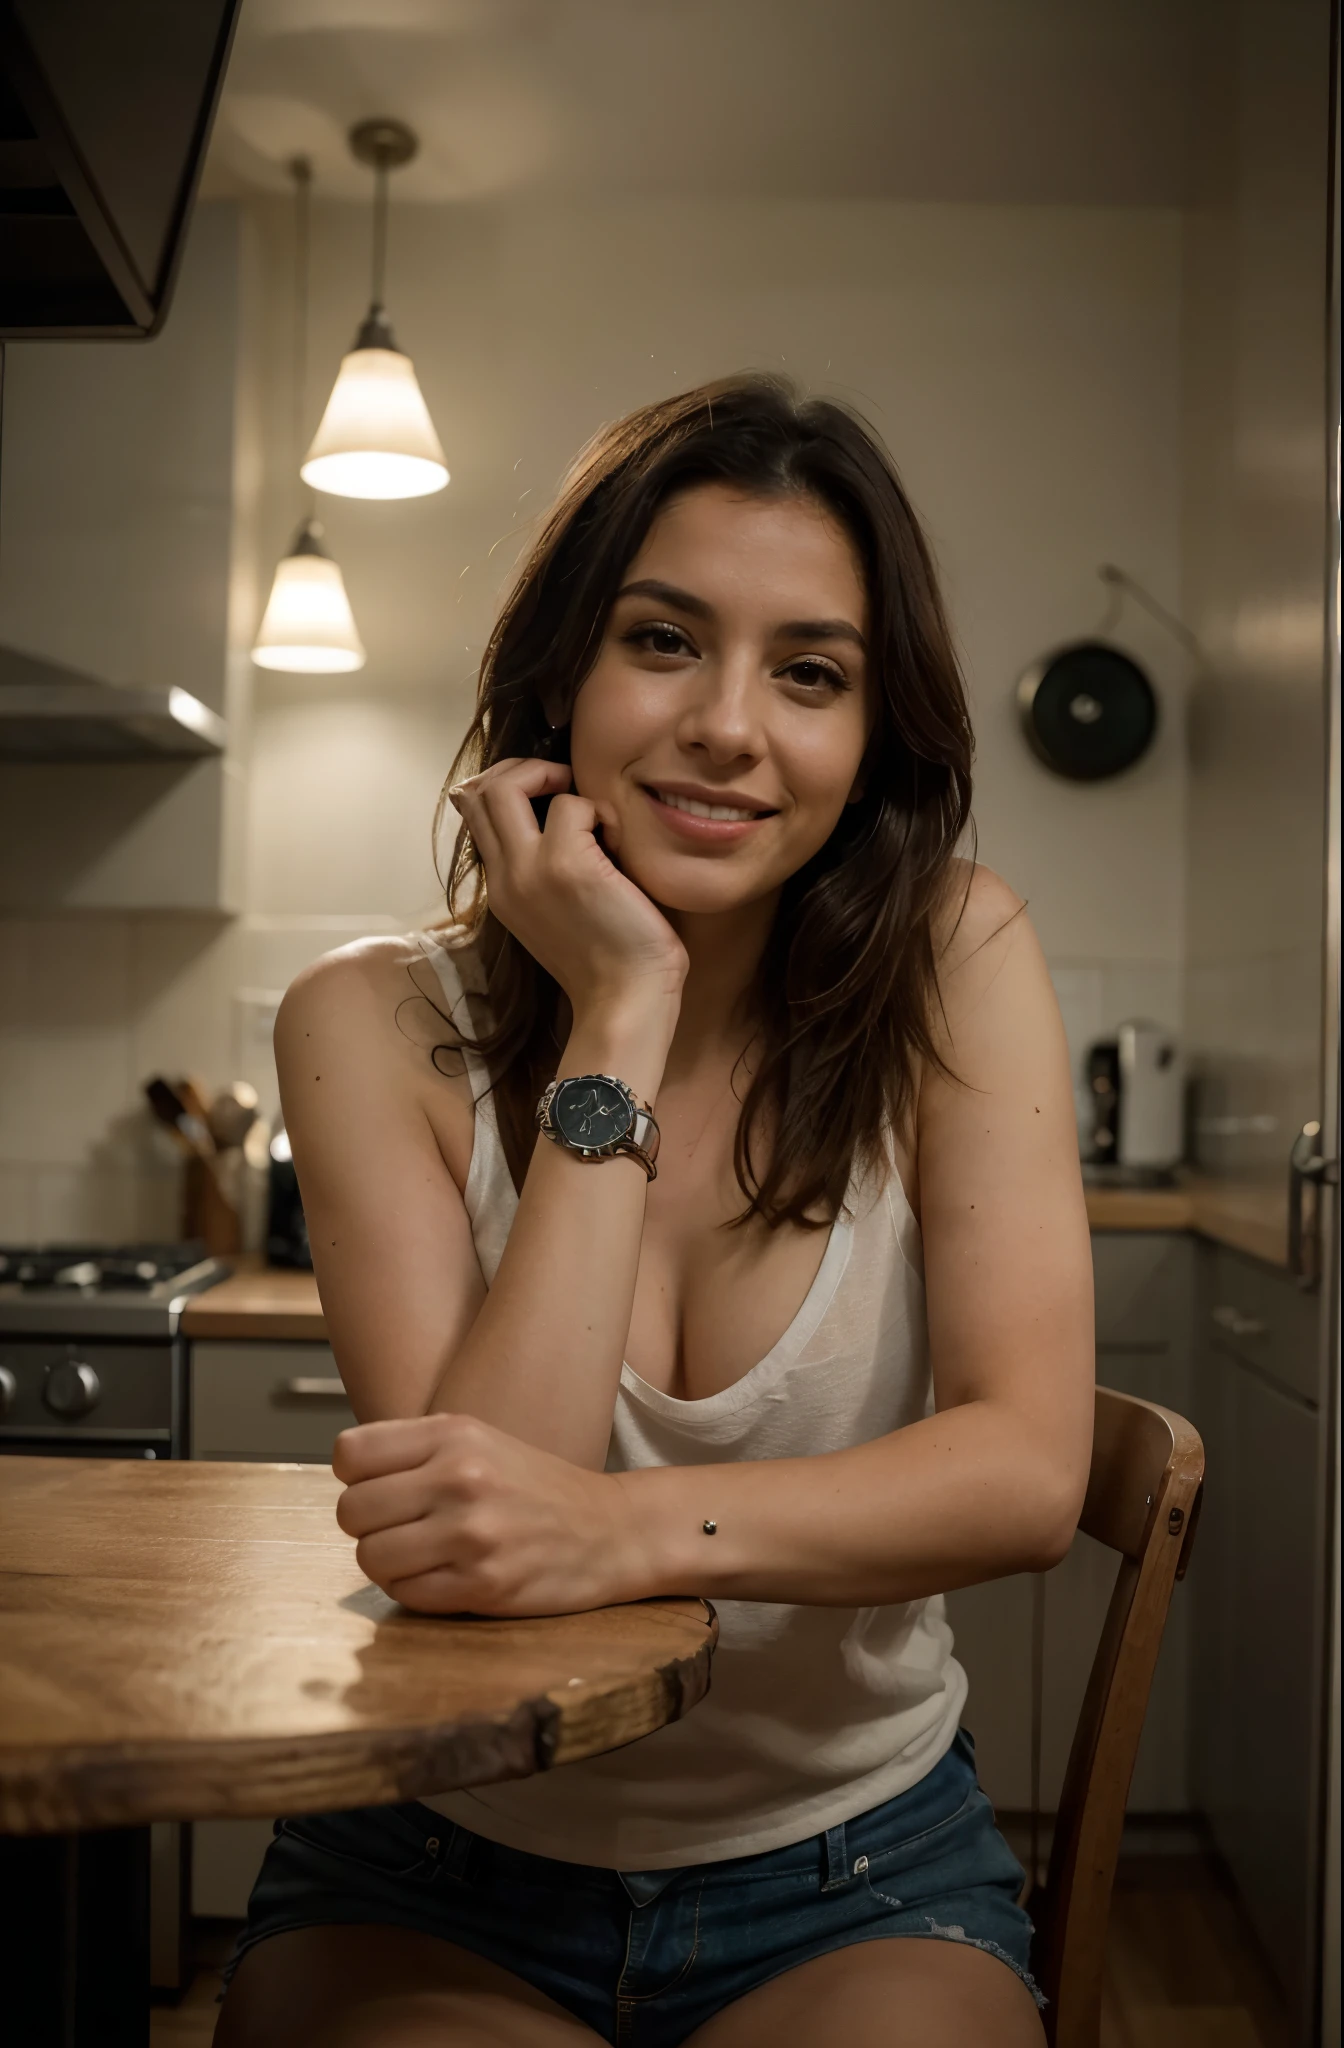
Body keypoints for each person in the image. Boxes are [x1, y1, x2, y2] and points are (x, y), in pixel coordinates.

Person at [216, 374, 1094, 2048]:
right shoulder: (365, 1021)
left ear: (873, 737)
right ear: (562, 674)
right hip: (437, 1860)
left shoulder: (957, 957)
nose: (731, 727)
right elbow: (470, 1582)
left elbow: (1027, 1468)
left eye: (812, 673)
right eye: (666, 641)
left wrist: (615, 1534)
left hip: (853, 1869)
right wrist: (622, 1007)